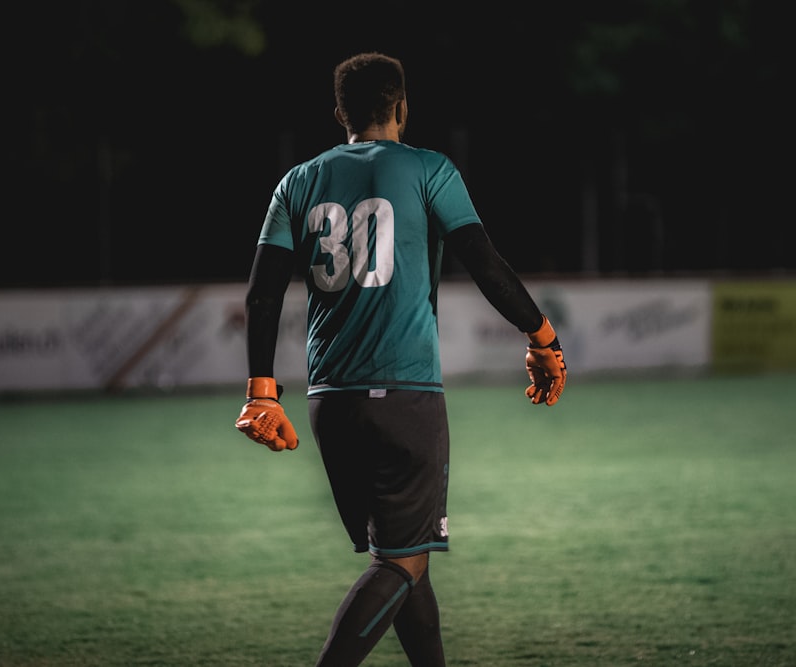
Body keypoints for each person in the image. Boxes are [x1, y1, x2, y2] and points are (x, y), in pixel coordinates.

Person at [234, 51, 566, 667]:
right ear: (403, 108)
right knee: (402, 561)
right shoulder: (429, 169)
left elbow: (263, 293)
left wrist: (261, 392)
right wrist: (543, 338)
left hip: (329, 401)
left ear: (340, 113)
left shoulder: (297, 182)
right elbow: (485, 264)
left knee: (405, 557)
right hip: (406, 396)